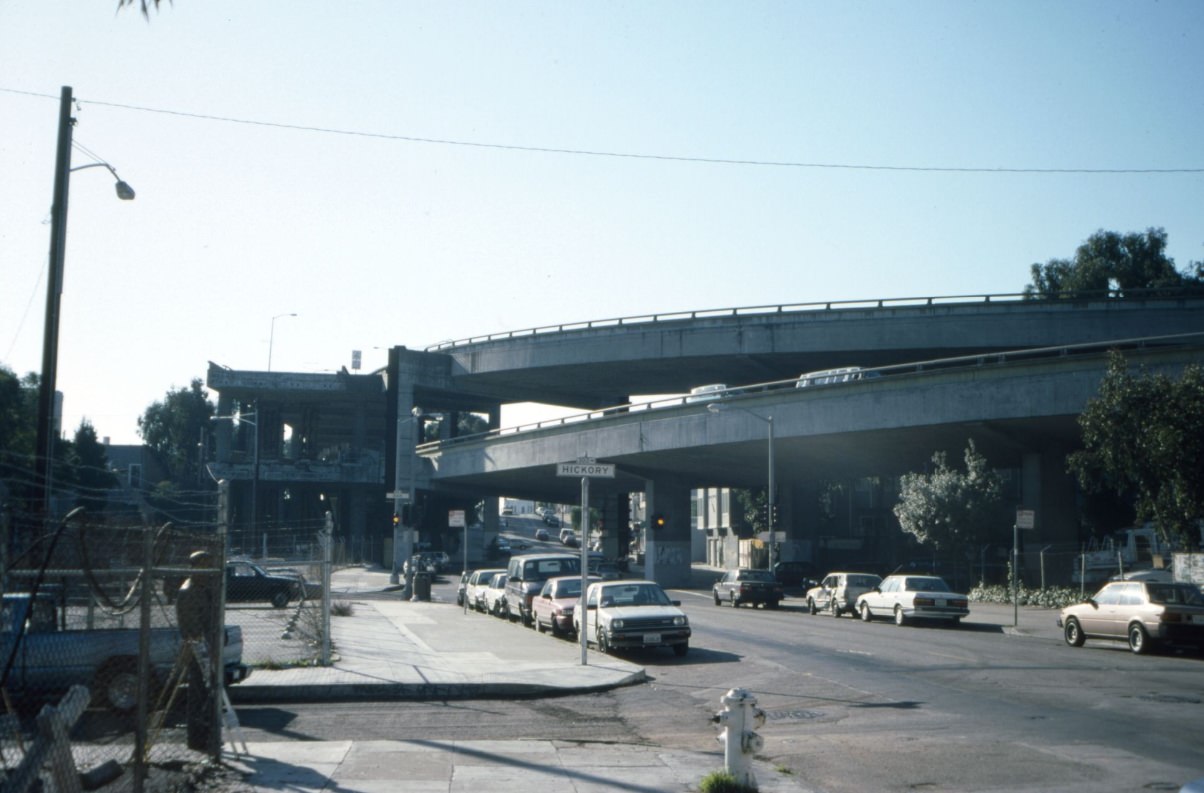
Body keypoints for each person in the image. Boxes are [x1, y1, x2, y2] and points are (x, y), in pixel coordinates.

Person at [175, 550, 218, 753]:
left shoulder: (204, 587)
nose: (208, 570)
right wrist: (205, 651)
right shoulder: (189, 591)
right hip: (198, 649)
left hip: (207, 647)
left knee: (207, 694)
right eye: (204, 566)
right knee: (198, 694)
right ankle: (198, 739)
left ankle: (207, 736)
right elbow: (193, 630)